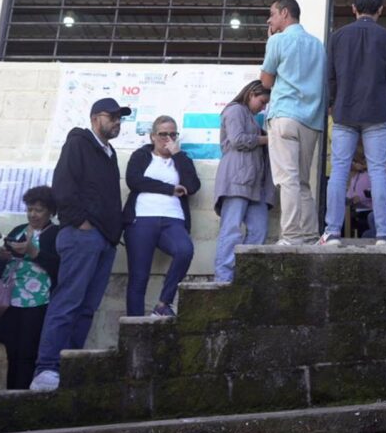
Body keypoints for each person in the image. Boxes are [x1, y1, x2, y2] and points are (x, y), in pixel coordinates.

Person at [31, 97, 127, 392]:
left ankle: (67, 368)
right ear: (96, 118)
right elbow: (63, 186)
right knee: (67, 302)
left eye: (119, 118)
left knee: (87, 307)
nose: (117, 123)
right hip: (82, 235)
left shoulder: (109, 153)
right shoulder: (78, 144)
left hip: (105, 241)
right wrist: (80, 222)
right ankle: (46, 368)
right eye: (112, 117)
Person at [319, 0, 386, 247]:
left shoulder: (337, 37)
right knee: (378, 172)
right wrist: (381, 102)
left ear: (354, 9)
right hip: (376, 113)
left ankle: (332, 232)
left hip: (344, 112)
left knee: (340, 171)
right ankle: (384, 234)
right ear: (380, 10)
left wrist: (333, 103)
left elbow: (330, 77)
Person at [260, 0, 327, 246]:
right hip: (311, 120)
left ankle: (289, 236)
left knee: (287, 179)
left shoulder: (278, 40)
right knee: (302, 181)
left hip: (285, 115)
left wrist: (270, 41)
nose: (270, 19)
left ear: (285, 13)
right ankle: (309, 234)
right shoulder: (317, 45)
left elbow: (266, 82)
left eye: (273, 14)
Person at [122, 115, 200, 319]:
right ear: (152, 136)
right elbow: (134, 181)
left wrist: (178, 155)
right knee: (139, 276)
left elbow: (192, 186)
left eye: (173, 134)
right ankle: (134, 326)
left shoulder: (181, 159)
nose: (168, 138)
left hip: (173, 219)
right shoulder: (141, 156)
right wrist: (169, 188)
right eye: (163, 134)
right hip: (141, 219)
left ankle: (163, 304)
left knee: (184, 250)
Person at [0, 185, 61, 390]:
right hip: (11, 300)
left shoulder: (56, 234)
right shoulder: (18, 230)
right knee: (12, 352)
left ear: (50, 211)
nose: (33, 214)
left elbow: (59, 266)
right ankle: (11, 396)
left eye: (39, 210)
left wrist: (33, 252)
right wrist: (2, 258)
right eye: (30, 209)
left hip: (38, 303)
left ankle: (24, 398)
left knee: (29, 352)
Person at [214, 80, 275, 283]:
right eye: (262, 101)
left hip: (256, 184)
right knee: (231, 230)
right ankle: (223, 278)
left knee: (259, 230)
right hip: (235, 179)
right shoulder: (235, 110)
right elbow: (237, 139)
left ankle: (244, 277)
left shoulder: (251, 117)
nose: (263, 107)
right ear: (251, 94)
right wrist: (267, 139)